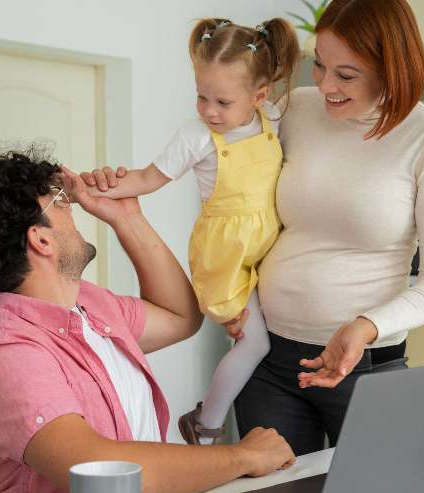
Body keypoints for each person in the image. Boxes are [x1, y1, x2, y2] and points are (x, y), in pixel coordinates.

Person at [0, 147, 294, 493]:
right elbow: (102, 472)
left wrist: (127, 218)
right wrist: (243, 457)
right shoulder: (8, 354)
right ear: (41, 241)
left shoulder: (89, 306)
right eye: (62, 203)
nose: (74, 211)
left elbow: (181, 317)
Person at [219, 0, 424, 455]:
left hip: (365, 369)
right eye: (320, 65)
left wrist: (366, 326)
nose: (325, 84)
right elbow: (239, 198)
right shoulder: (294, 110)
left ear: (391, 69)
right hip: (268, 360)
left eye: (346, 75)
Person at [80, 18, 300, 445]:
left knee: (272, 335)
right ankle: (207, 425)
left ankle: (208, 418)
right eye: (201, 97)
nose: (210, 111)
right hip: (226, 256)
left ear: (260, 95)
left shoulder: (271, 119)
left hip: (268, 247)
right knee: (255, 345)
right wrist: (94, 187)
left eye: (222, 101)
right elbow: (146, 179)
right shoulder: (197, 137)